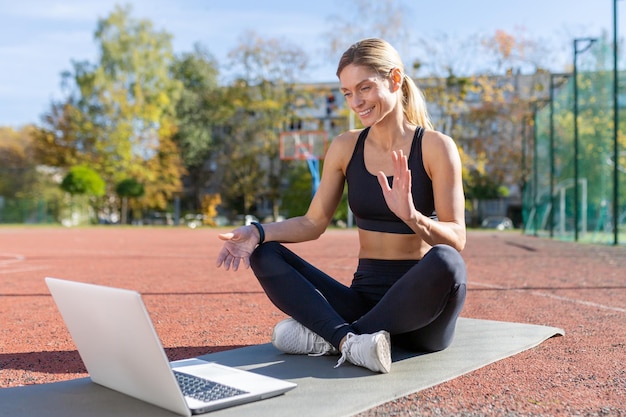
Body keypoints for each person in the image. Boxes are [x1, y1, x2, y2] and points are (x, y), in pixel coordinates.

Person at [216, 38, 467, 374]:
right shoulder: (345, 146)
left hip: (420, 314)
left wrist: (414, 218)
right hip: (362, 299)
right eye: (348, 92)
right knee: (264, 250)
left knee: (448, 261)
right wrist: (257, 232)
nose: (355, 102)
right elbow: (313, 222)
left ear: (394, 80)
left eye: (364, 88)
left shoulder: (436, 147)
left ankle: (328, 336)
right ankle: (349, 341)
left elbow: (457, 238)